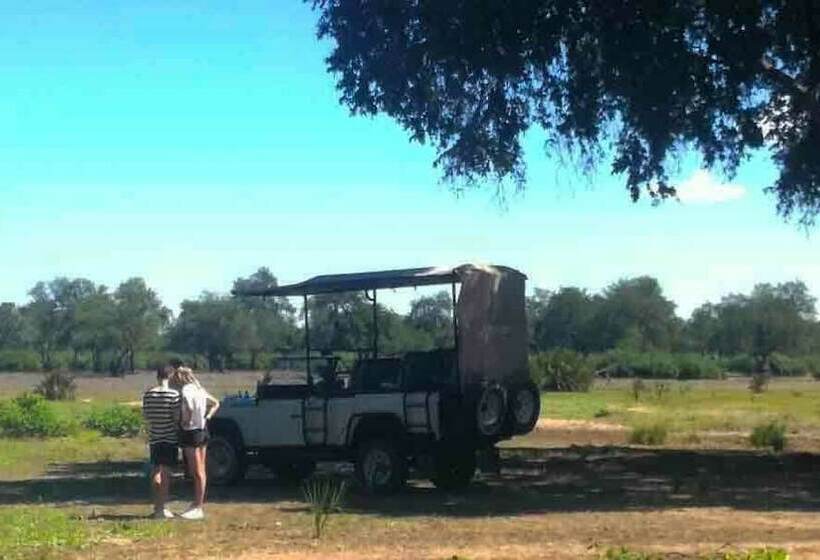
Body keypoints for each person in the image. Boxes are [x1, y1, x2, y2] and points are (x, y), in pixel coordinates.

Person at [172, 366, 220, 520]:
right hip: (202, 429)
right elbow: (216, 403)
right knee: (201, 469)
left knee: (195, 470)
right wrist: (207, 417)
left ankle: (197, 506)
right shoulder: (199, 389)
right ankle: (198, 503)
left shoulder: (186, 390)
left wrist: (185, 421)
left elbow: (189, 406)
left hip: (190, 432)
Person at [142, 366, 181, 519]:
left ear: (157, 376)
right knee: (166, 473)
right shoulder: (173, 394)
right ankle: (162, 508)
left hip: (155, 437)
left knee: (156, 470)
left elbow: (146, 416)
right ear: (170, 376)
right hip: (169, 437)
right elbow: (176, 418)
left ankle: (156, 505)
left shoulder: (148, 394)